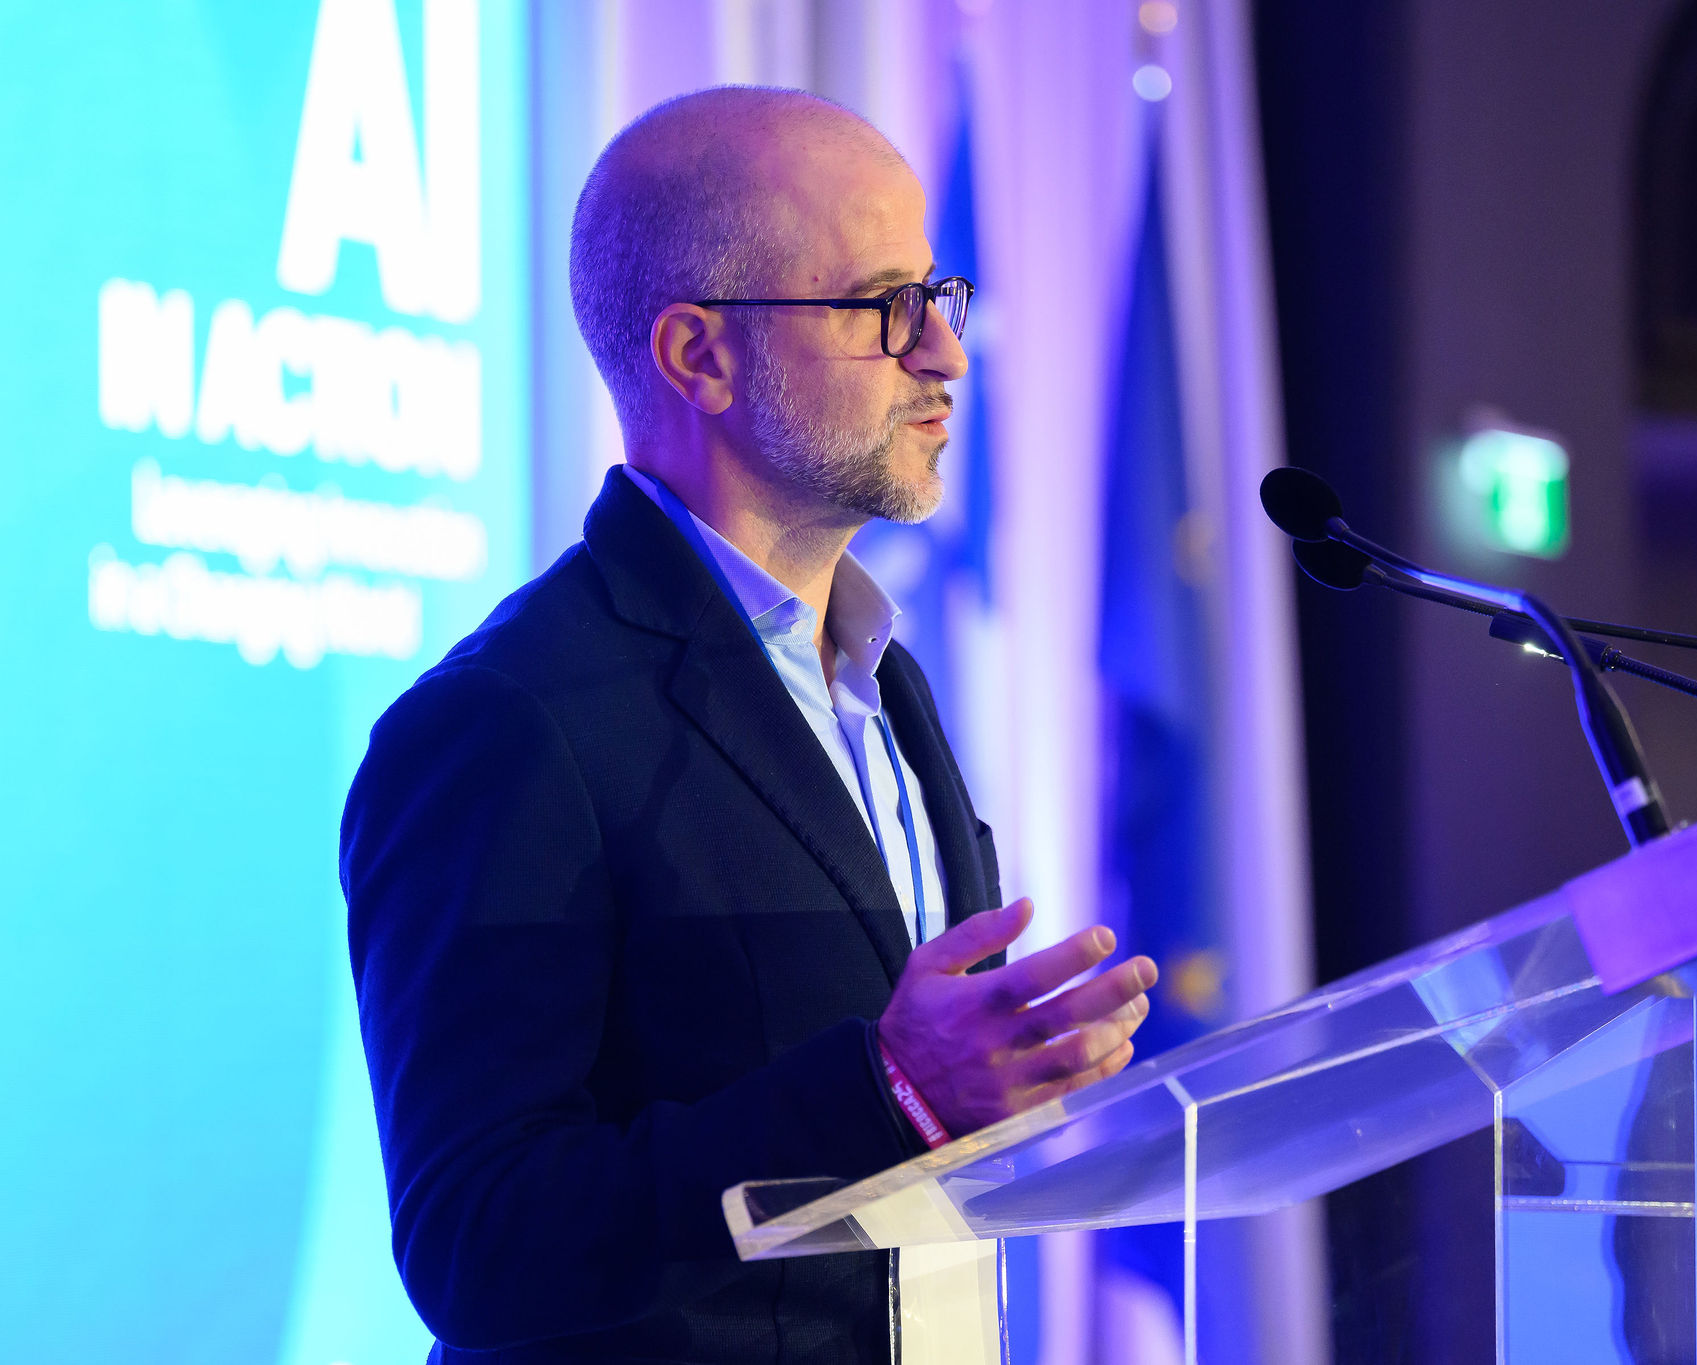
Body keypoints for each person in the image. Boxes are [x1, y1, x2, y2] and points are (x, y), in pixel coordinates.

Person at [340, 86, 1157, 1363]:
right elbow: (477, 1240)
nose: (944, 355)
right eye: (882, 307)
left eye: (938, 297)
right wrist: (888, 1094)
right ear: (699, 357)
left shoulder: (882, 678)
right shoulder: (508, 720)